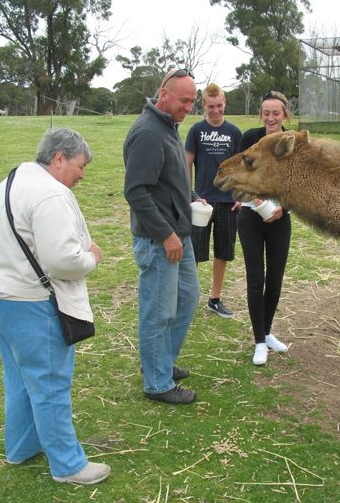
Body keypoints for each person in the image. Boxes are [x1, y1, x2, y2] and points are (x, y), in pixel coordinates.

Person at [0, 127, 110, 485]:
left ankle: (21, 447)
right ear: (58, 159)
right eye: (79, 166)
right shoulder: (50, 194)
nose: (82, 174)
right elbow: (61, 260)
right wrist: (91, 258)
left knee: (21, 376)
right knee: (50, 382)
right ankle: (68, 465)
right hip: (28, 301)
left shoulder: (15, 177)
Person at [123, 67, 200, 405]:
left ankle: (161, 362)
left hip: (178, 235)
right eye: (184, 100)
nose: (189, 107)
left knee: (186, 300)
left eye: (192, 101)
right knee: (158, 311)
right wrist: (167, 234)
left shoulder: (168, 126)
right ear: (163, 95)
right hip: (160, 240)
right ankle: (157, 383)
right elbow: (137, 192)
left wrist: (193, 198)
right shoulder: (148, 133)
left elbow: (168, 181)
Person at [237, 91, 292, 366]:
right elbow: (238, 174)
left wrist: (284, 208)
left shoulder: (292, 143)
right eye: (266, 112)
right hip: (250, 217)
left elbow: (298, 184)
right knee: (255, 279)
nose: (270, 118)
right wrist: (255, 199)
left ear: (285, 115)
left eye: (276, 113)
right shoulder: (249, 138)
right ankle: (259, 341)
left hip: (280, 220)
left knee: (275, 280)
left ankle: (267, 332)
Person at [185, 83, 242, 318]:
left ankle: (215, 298)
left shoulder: (235, 133)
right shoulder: (196, 131)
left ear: (224, 103)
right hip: (202, 203)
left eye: (219, 106)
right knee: (194, 252)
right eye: (211, 107)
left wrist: (240, 194)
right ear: (204, 105)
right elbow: (185, 163)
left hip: (228, 202)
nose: (216, 111)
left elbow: (242, 167)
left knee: (223, 251)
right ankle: (188, 298)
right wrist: (190, 194)